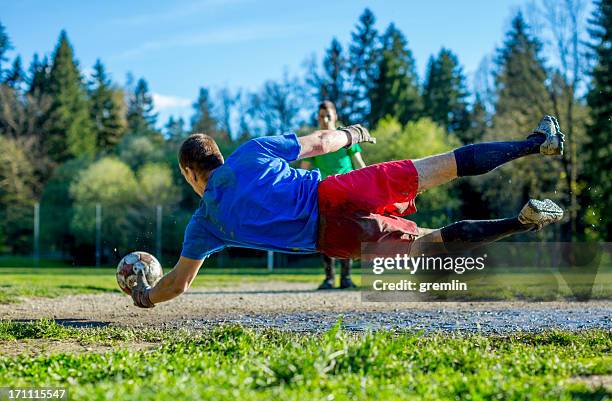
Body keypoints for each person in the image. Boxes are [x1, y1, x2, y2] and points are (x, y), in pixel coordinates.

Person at [130, 115, 565, 308]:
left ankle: (521, 221)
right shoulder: (249, 154)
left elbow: (178, 284)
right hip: (337, 190)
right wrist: (352, 134)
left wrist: (145, 297)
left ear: (190, 173)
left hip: (330, 237)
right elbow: (319, 143)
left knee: (429, 242)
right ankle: (535, 143)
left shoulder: (204, 223)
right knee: (438, 166)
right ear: (219, 156)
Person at [301, 101, 366, 290]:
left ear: (335, 116)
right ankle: (329, 278)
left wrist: (370, 185)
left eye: (328, 115)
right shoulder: (314, 141)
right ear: (318, 118)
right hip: (326, 193)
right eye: (321, 116)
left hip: (348, 192)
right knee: (326, 235)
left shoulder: (345, 138)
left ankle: (346, 278)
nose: (325, 119)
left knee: (347, 234)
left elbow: (359, 163)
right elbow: (305, 170)